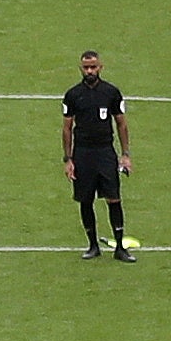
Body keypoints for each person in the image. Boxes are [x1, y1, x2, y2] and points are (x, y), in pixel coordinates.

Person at [61, 50, 133, 256]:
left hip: (105, 152)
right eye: (86, 67)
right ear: (81, 68)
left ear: (101, 67)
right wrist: (68, 159)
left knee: (114, 198)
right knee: (85, 200)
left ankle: (120, 247)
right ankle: (93, 245)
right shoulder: (73, 95)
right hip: (82, 153)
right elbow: (66, 128)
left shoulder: (111, 92)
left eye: (93, 67)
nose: (90, 71)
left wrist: (125, 154)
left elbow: (121, 123)